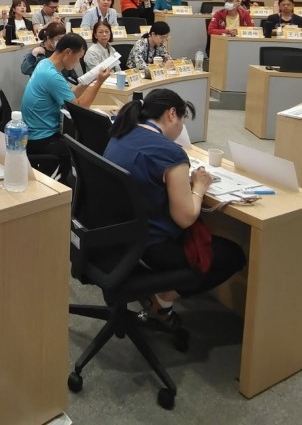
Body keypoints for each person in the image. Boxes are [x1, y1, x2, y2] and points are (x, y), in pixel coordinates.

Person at [103, 89, 245, 327]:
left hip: (119, 236)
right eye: (182, 120)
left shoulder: (121, 133)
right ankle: (164, 300)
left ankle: (158, 293)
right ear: (171, 114)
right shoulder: (170, 153)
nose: (181, 128)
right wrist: (199, 187)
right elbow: (185, 218)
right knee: (232, 255)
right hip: (152, 246)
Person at [21, 33, 112, 179]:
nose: (78, 62)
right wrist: (99, 82)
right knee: (88, 148)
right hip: (41, 139)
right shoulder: (52, 76)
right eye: (78, 58)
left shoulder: (45, 64)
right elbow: (78, 108)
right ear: (68, 52)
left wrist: (89, 80)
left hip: (34, 132)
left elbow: (69, 97)